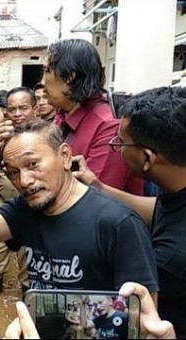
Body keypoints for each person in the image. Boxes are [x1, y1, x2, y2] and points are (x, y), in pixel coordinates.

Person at [0, 119, 159, 293]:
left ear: (64, 156)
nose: (24, 181)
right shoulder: (26, 209)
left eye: (32, 164)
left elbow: (141, 315)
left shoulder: (118, 223)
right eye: (13, 172)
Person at [72, 86, 186, 337]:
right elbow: (156, 208)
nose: (118, 148)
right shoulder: (177, 189)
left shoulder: (170, 257)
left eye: (121, 142)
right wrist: (98, 187)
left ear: (147, 157)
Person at [43, 38, 142, 194]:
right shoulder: (63, 115)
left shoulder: (108, 125)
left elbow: (93, 200)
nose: (42, 81)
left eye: (46, 71)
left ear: (69, 76)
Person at [0, 87, 36, 293]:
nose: (17, 114)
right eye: (12, 109)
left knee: (29, 269)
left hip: (34, 213)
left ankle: (27, 311)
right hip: (2, 208)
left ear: (34, 108)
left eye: (23, 108)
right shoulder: (2, 137)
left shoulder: (46, 138)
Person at [4, 282, 176, 339]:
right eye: (70, 309)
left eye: (78, 309)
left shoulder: (120, 320)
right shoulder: (59, 329)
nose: (73, 314)